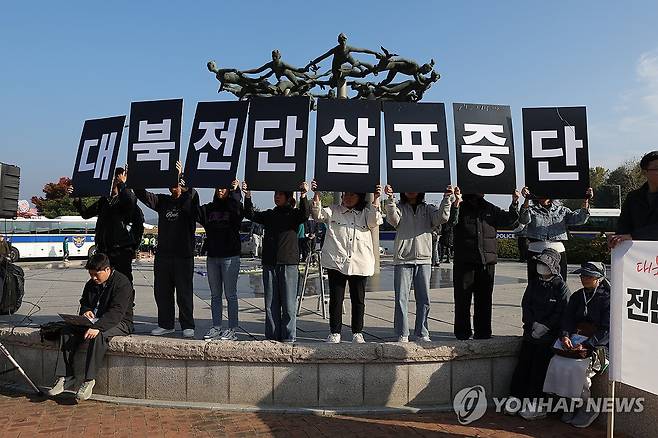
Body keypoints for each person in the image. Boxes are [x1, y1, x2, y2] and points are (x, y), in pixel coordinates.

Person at [46, 253, 134, 401]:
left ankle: (89, 380)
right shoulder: (91, 283)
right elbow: (84, 302)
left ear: (107, 270)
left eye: (96, 274)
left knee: (98, 335)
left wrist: (98, 326)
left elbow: (117, 312)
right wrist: (85, 311)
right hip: (94, 321)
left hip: (120, 322)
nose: (93, 278)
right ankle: (66, 376)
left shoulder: (122, 283)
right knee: (67, 329)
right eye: (91, 274)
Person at [310, 180, 383, 344]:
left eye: (352, 194)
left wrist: (377, 198)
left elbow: (374, 220)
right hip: (336, 261)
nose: (348, 197)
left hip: (360, 262)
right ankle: (335, 332)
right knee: (336, 299)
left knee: (358, 300)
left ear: (360, 197)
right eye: (346, 194)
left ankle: (357, 332)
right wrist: (317, 194)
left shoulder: (365, 213)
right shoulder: (334, 210)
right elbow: (318, 215)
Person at [133, 162, 199, 338]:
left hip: (183, 256)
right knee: (162, 292)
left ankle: (187, 324)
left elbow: (192, 193)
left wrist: (181, 173)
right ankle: (166, 324)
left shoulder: (189, 200)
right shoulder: (162, 200)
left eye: (176, 181)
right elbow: (142, 194)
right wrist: (135, 175)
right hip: (163, 256)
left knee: (184, 293)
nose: (172, 185)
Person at [543, 262, 610, 428]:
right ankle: (570, 404)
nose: (584, 278)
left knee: (578, 370)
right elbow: (567, 319)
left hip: (599, 346)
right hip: (575, 341)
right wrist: (565, 335)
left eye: (588, 276)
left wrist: (589, 344)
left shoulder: (608, 298)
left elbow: (608, 329)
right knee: (557, 363)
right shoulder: (577, 296)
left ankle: (588, 408)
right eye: (582, 275)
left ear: (599, 278)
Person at [384, 185, 454, 342]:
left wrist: (447, 198)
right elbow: (393, 220)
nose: (411, 189)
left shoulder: (429, 209)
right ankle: (402, 333)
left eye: (415, 186)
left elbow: (442, 218)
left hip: (424, 259)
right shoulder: (399, 208)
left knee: (424, 299)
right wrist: (390, 199)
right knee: (401, 298)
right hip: (403, 259)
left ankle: (422, 332)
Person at [449, 187, 520, 340]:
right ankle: (462, 333)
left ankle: (483, 333)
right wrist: (456, 202)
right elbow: (450, 224)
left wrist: (514, 203)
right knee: (462, 300)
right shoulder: (459, 207)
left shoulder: (490, 208)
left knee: (484, 301)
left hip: (486, 263)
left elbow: (511, 221)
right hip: (464, 262)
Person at [243, 182, 310, 343]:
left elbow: (305, 214)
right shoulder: (269, 214)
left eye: (280, 194)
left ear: (288, 197)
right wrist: (248, 194)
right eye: (275, 194)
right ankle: (272, 336)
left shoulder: (294, 215)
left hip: (289, 264)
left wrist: (303, 195)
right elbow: (250, 214)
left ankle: (289, 336)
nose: (276, 197)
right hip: (270, 263)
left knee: (288, 305)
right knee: (270, 304)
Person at [507, 248, 570, 420]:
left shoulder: (560, 286)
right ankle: (515, 398)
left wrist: (546, 326)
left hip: (547, 338)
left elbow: (562, 311)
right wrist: (531, 323)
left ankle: (536, 404)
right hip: (530, 333)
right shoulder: (534, 283)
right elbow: (526, 304)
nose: (540, 267)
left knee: (539, 369)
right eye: (539, 263)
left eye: (544, 264)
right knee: (523, 366)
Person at [72, 167, 142, 283]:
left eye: (115, 179)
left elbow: (130, 202)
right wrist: (77, 200)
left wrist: (123, 184)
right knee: (103, 281)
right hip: (104, 249)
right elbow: (86, 214)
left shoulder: (126, 201)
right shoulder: (104, 201)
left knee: (123, 281)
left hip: (121, 250)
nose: (113, 182)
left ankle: (127, 301)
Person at [196, 180, 244, 341]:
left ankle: (232, 328)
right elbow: (192, 210)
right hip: (213, 256)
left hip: (230, 256)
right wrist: (188, 187)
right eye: (218, 187)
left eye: (224, 188)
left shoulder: (234, 208)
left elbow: (238, 207)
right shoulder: (209, 208)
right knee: (215, 295)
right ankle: (216, 326)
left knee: (230, 294)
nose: (220, 190)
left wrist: (236, 189)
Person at [518, 187, 592, 283]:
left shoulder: (562, 210)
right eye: (539, 194)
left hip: (558, 251)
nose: (543, 197)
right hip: (536, 251)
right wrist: (527, 199)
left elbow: (580, 219)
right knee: (535, 285)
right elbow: (523, 220)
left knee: (559, 284)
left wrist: (586, 199)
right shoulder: (532, 210)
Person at [609, 150, 658, 248]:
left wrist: (633, 236)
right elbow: (623, 226)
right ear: (645, 172)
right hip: (639, 258)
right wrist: (617, 239)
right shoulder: (633, 197)